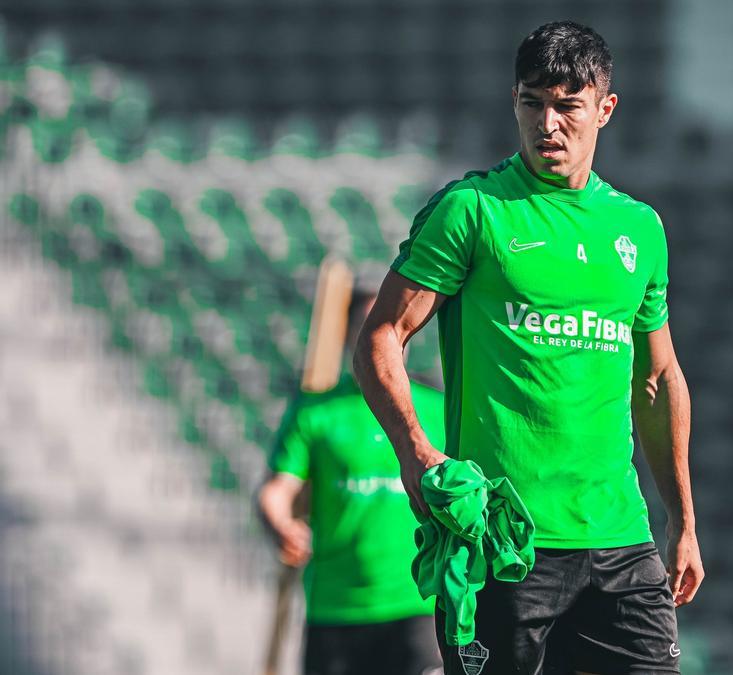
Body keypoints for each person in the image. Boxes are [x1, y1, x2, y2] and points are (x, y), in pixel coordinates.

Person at [354, 20, 703, 675]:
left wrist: (683, 520)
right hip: (505, 542)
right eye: (532, 102)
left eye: (568, 105)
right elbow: (382, 337)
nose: (548, 123)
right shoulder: (472, 210)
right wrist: (416, 453)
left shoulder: (639, 229)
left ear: (605, 108)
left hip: (620, 542)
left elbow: (657, 380)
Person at [259, 288, 444, 675]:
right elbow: (278, 491)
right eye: (366, 326)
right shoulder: (316, 412)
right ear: (348, 336)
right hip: (336, 608)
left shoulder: (437, 408)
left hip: (416, 604)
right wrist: (280, 524)